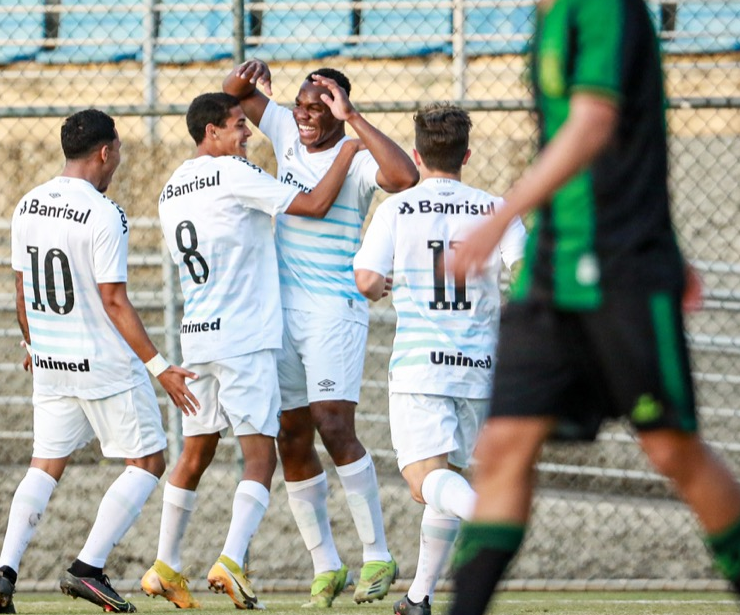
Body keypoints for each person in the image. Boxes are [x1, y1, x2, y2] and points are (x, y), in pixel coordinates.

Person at [445, 0, 740, 614]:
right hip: (548, 280)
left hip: (621, 271)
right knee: (502, 449)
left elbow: (597, 124)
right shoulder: (549, 3)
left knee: (672, 452)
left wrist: (499, 215)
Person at [142, 93, 362, 610]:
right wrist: (347, 154)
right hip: (244, 337)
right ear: (212, 132)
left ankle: (165, 565)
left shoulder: (171, 187)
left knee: (195, 453)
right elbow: (313, 204)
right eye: (239, 125)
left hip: (197, 334)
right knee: (260, 455)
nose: (247, 135)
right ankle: (232, 559)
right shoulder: (232, 172)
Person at [0, 109, 199, 615]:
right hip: (102, 363)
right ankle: (88, 568)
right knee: (147, 461)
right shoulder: (105, 213)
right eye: (118, 152)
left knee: (45, 465)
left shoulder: (28, 204)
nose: (117, 161)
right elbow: (115, 301)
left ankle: (5, 571)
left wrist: (33, 346)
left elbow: (22, 289)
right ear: (106, 152)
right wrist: (159, 365)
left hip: (51, 361)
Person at [224, 63, 417, 606]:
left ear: (337, 109)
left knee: (334, 425)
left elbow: (405, 178)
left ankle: (377, 554)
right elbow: (232, 93)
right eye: (302, 105)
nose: (306, 116)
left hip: (335, 309)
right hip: (280, 312)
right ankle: (325, 564)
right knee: (291, 436)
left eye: (319, 108)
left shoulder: (354, 156)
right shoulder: (286, 128)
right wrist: (247, 75)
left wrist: (352, 120)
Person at [351, 105, 524, 615]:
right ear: (466, 154)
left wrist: (381, 285)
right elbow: (527, 272)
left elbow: (366, 280)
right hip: (479, 368)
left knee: (424, 481)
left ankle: (489, 516)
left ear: (417, 154)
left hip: (421, 364)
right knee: (445, 474)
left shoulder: (396, 208)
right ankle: (419, 597)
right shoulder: (496, 209)